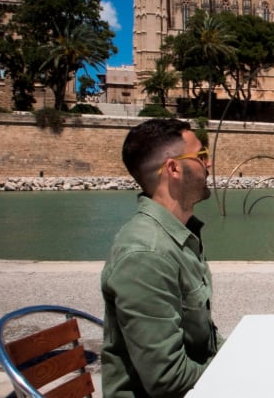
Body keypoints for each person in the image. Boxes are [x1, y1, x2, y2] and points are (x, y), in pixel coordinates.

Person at [101, 118, 223, 397]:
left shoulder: (177, 237)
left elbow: (203, 343)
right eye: (201, 156)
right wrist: (238, 368)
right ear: (174, 168)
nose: (209, 164)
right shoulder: (146, 255)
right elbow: (168, 379)